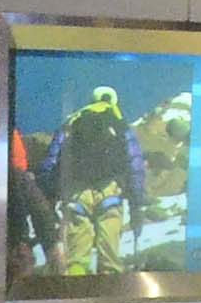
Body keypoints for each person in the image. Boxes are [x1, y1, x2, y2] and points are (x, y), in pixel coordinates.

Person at [50, 84, 143, 276]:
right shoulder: (118, 122)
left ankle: (75, 289)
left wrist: (50, 196)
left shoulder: (73, 121)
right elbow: (135, 164)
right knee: (110, 260)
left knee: (76, 260)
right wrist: (136, 202)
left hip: (77, 194)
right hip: (110, 192)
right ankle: (109, 290)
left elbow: (52, 161)